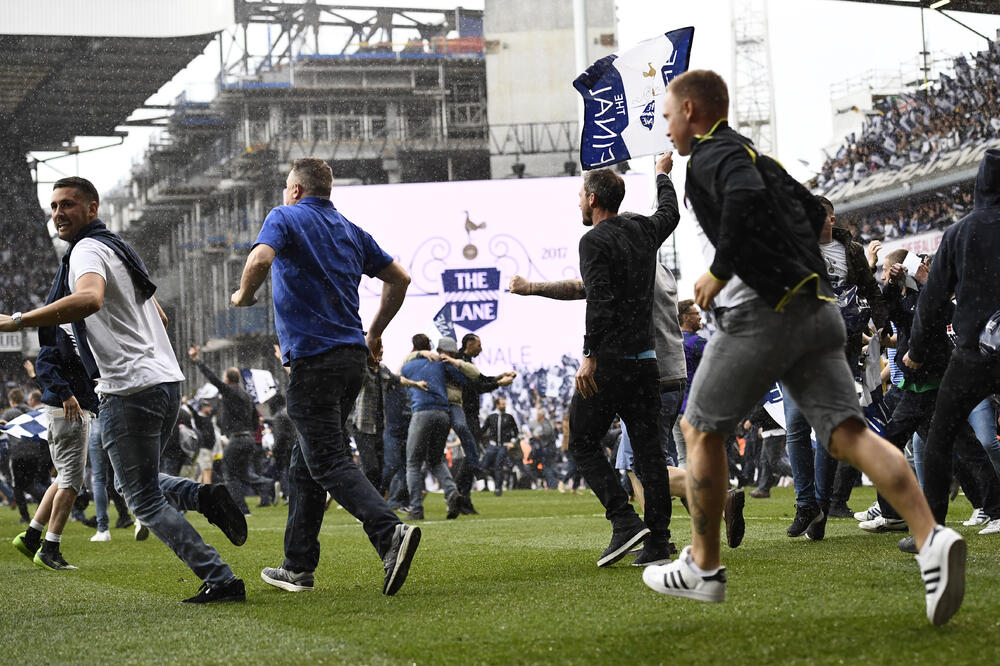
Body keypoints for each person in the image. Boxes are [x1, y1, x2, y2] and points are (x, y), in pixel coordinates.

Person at [642, 70, 964, 627]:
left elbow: (742, 202)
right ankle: (931, 538)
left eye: (667, 117)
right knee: (849, 434)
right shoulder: (756, 156)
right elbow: (816, 215)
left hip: (761, 311)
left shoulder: (712, 156)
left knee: (699, 430)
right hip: (818, 308)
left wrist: (721, 271)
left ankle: (704, 566)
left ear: (691, 110)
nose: (665, 129)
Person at [1, 176, 248, 603]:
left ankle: (220, 578)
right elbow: (161, 319)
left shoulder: (85, 250)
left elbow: (91, 299)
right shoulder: (118, 249)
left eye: (68, 205)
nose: (59, 213)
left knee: (142, 499)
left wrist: (19, 319)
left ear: (92, 209)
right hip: (166, 381)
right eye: (54, 206)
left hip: (128, 388)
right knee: (132, 482)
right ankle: (203, 495)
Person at [232, 157, 419, 596]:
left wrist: (243, 295)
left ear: (295, 189)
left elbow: (260, 258)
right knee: (305, 464)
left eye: (285, 187)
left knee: (327, 460)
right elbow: (401, 278)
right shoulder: (351, 229)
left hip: (313, 362)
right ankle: (297, 566)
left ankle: (389, 532)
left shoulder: (285, 216)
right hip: (352, 360)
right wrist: (375, 333)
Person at [565, 152, 679, 568]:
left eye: (580, 195)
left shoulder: (593, 240)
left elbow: (600, 299)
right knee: (651, 456)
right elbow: (670, 212)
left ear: (595, 199)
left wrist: (590, 355)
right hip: (645, 363)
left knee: (581, 440)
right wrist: (663, 175)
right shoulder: (644, 232)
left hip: (610, 362)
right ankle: (658, 542)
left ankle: (624, 520)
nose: (578, 202)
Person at [904, 148, 1000, 536]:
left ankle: (931, 529)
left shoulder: (960, 232)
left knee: (941, 435)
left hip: (972, 350)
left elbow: (931, 300)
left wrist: (914, 350)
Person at [10, 321, 98, 569]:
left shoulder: (69, 326)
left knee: (63, 479)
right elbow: (44, 365)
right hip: (68, 410)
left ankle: (31, 537)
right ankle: (49, 549)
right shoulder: (61, 326)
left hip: (69, 408)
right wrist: (66, 394)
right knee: (71, 481)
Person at [189, 345, 273, 513]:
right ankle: (265, 486)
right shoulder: (247, 396)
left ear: (227, 380)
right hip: (248, 438)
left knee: (229, 472)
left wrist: (197, 361)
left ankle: (244, 507)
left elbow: (212, 378)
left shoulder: (229, 391)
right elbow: (256, 419)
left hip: (237, 438)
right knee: (243, 474)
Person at [399, 336, 470, 520]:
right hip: (443, 414)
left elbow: (397, 375)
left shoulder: (408, 367)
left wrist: (415, 356)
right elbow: (461, 379)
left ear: (413, 348)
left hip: (422, 412)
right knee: (436, 460)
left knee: (413, 463)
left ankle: (416, 509)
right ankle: (452, 492)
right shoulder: (440, 364)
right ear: (430, 347)